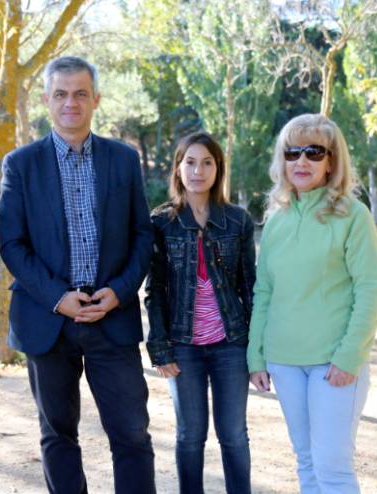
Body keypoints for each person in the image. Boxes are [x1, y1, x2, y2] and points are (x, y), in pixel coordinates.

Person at [0, 55, 156, 494]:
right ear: (46, 99)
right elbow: (11, 244)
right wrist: (57, 297)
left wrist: (119, 292)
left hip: (112, 317)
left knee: (132, 434)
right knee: (58, 434)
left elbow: (142, 235)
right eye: (62, 94)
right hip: (48, 319)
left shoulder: (123, 159)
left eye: (81, 94)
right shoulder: (20, 164)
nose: (71, 102)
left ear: (96, 99)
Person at [247, 113, 377, 493]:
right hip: (284, 362)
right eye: (292, 153)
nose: (302, 161)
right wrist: (256, 356)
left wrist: (350, 356)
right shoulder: (276, 221)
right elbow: (264, 292)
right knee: (306, 462)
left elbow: (370, 290)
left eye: (314, 152)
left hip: (333, 363)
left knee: (332, 468)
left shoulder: (353, 216)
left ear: (331, 160)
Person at [145, 132, 255, 493]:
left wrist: (257, 348)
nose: (198, 171)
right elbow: (155, 289)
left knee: (234, 434)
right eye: (190, 162)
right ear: (178, 168)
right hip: (183, 346)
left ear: (218, 169)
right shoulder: (161, 222)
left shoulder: (238, 221)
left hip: (231, 344)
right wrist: (160, 346)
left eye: (207, 163)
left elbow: (250, 287)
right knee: (190, 435)